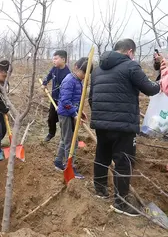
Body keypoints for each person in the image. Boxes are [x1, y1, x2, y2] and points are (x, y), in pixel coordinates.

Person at [89, 39, 161, 217]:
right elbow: (150, 89)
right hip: (123, 126)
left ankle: (100, 190)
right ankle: (121, 203)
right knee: (124, 162)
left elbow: (92, 98)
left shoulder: (97, 70)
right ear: (130, 51)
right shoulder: (130, 66)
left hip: (101, 123)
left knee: (102, 155)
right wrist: (161, 80)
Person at [54, 58, 92, 179]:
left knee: (65, 139)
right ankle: (69, 167)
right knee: (71, 143)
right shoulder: (69, 80)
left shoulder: (78, 81)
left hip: (69, 112)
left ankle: (58, 162)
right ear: (76, 68)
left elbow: (73, 101)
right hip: (65, 115)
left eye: (87, 74)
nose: (85, 76)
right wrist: (74, 114)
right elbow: (65, 100)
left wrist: (79, 112)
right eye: (83, 72)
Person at [42, 50, 71, 142]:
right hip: (54, 98)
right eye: (53, 59)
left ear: (63, 59)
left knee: (63, 119)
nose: (53, 61)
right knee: (51, 118)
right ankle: (51, 133)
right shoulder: (54, 69)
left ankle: (65, 137)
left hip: (63, 100)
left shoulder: (67, 73)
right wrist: (44, 83)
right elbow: (49, 75)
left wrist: (62, 101)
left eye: (56, 59)